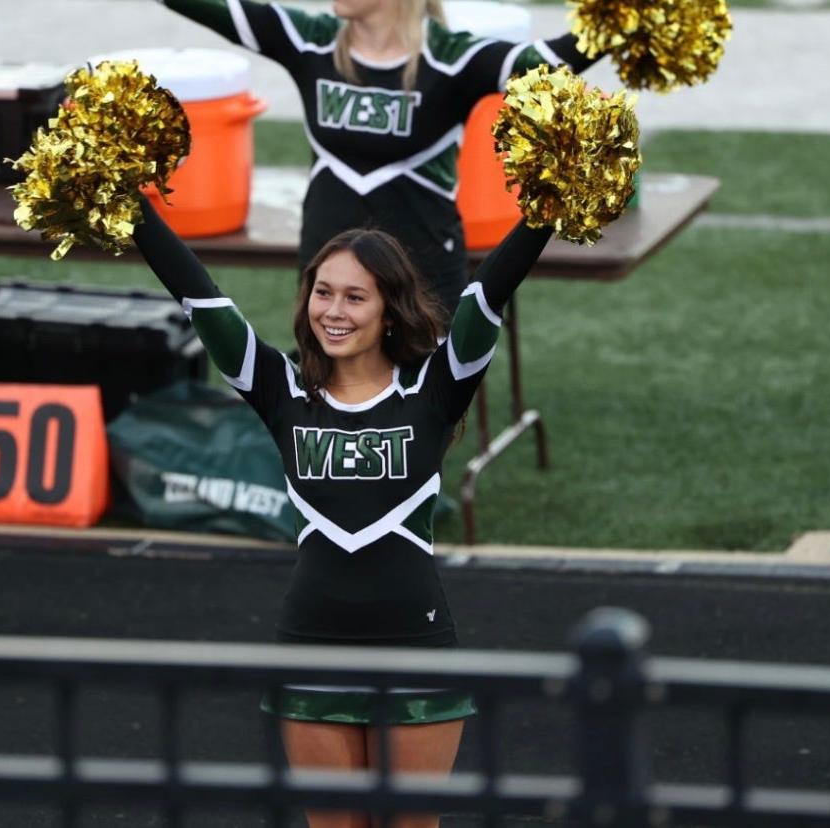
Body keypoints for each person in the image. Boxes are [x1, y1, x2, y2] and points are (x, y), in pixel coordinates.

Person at [130, 190, 555, 827]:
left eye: (355, 297)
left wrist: (549, 203)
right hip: (312, 646)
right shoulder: (281, 389)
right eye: (322, 292)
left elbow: (488, 293)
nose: (333, 310)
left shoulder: (435, 390)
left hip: (415, 647)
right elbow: (201, 299)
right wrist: (132, 210)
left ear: (389, 310)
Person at [149, 0, 597, 312]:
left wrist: (622, 21)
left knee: (416, 419)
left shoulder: (450, 58)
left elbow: (549, 60)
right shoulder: (311, 42)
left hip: (424, 278)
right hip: (327, 279)